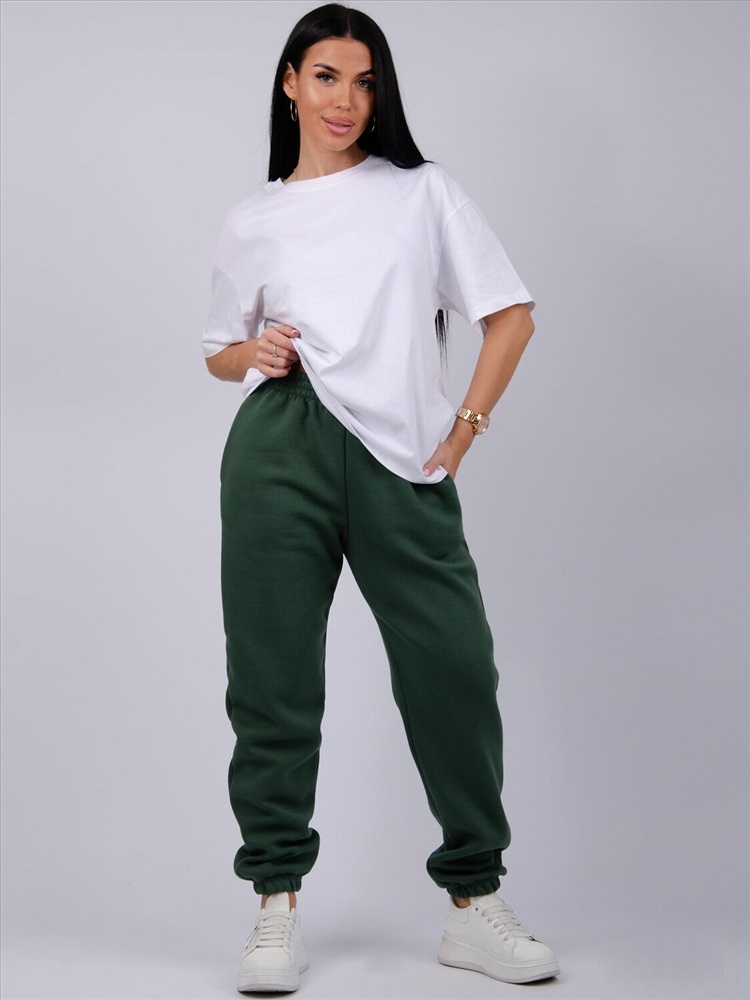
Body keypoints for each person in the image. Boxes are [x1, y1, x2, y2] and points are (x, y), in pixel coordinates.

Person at [201, 2, 560, 993]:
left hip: (402, 455)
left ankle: (473, 901)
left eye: (364, 82)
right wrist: (252, 351)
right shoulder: (253, 218)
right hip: (280, 446)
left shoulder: (421, 192)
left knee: (454, 669)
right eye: (326, 77)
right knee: (272, 679)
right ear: (290, 83)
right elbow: (219, 350)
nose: (345, 100)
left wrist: (464, 428)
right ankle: (276, 903)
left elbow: (511, 316)